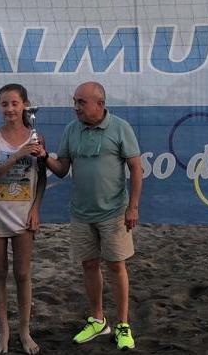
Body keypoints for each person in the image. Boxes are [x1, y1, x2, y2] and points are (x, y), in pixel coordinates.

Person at [36, 82, 142, 351]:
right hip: (81, 213)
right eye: (75, 101)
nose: (76, 107)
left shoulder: (121, 128)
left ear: (100, 104)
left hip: (114, 212)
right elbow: (62, 169)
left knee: (116, 266)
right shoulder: (71, 129)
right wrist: (45, 156)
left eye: (81, 102)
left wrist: (133, 207)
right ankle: (98, 320)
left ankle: (123, 325)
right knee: (89, 265)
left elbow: (136, 168)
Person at [0, 84, 47, 355]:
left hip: (23, 213)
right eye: (4, 104)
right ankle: (4, 331)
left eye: (14, 103)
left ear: (25, 105)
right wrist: (18, 155)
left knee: (22, 274)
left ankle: (24, 330)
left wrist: (36, 209)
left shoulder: (36, 137)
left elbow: (42, 178)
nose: (9, 109)